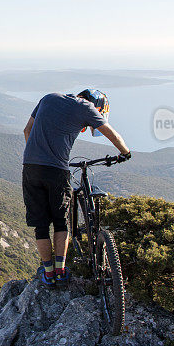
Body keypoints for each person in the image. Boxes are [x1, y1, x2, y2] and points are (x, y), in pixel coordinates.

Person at [22, 89, 131, 288]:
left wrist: (38, 155)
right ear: (97, 105)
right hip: (56, 171)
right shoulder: (86, 107)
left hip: (30, 168)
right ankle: (61, 272)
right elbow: (111, 134)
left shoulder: (48, 97)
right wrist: (125, 152)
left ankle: (48, 274)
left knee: (41, 225)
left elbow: (27, 130)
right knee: (61, 223)